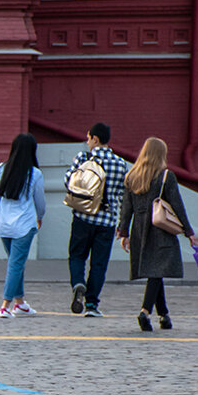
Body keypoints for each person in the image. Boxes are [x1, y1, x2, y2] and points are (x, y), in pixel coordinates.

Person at [116, 137, 198, 331]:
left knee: (155, 272)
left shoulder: (131, 176)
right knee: (156, 271)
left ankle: (164, 316)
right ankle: (145, 311)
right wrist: (189, 232)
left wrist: (124, 233)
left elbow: (126, 208)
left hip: (139, 230)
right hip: (161, 230)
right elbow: (177, 205)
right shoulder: (165, 176)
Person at [64, 122, 129, 317]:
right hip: (107, 222)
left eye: (88, 138)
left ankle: (78, 283)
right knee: (99, 263)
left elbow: (68, 181)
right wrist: (122, 224)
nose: (87, 141)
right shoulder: (120, 163)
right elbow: (123, 195)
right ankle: (92, 305)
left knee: (77, 256)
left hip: (83, 217)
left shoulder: (83, 158)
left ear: (95, 139)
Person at [0, 133, 46, 318]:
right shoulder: (35, 173)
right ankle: (5, 305)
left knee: (15, 263)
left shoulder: (1, 169)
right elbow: (40, 201)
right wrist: (40, 217)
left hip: (3, 225)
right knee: (16, 264)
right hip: (24, 225)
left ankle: (20, 303)